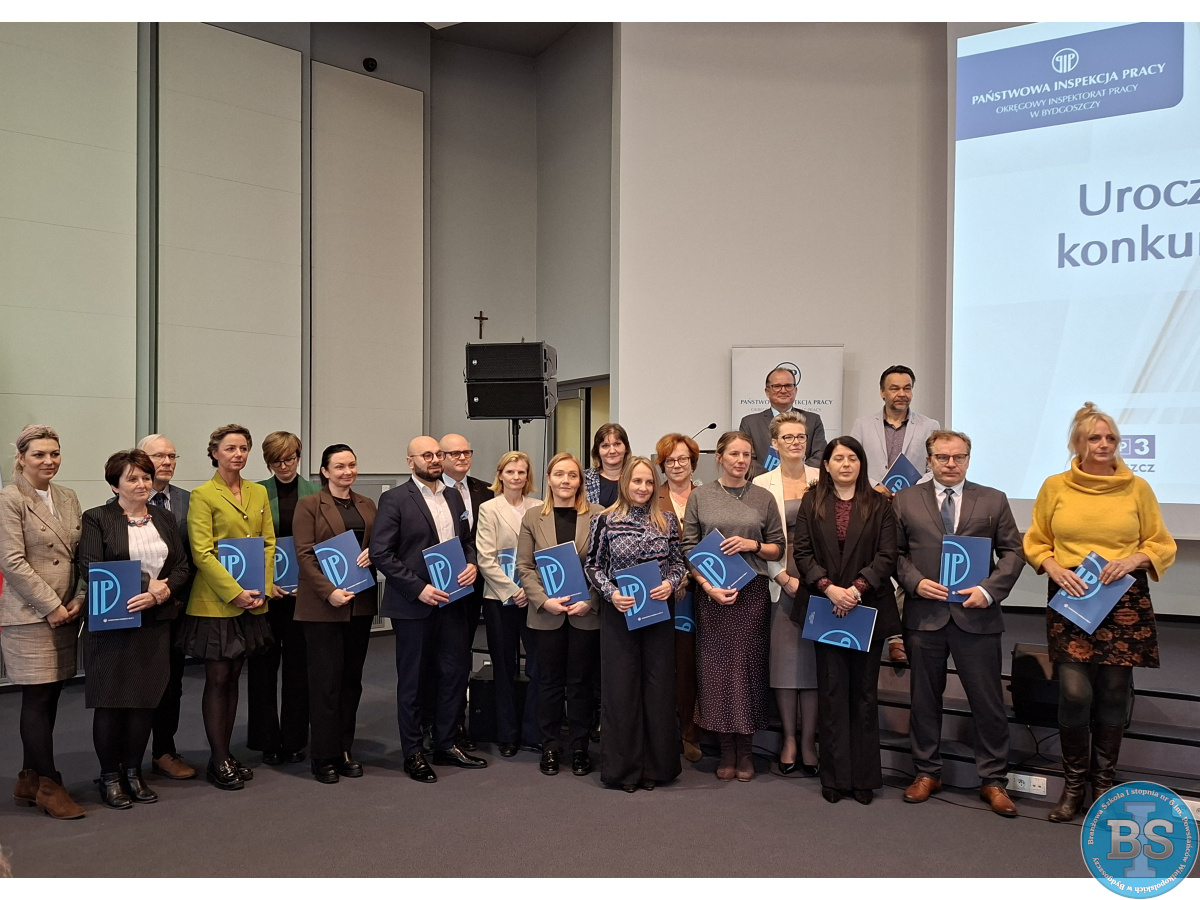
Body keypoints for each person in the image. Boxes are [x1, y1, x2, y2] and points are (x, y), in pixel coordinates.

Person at [1023, 403, 1176, 824]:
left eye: (1110, 438)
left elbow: (1161, 543)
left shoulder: (1137, 488)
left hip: (1123, 598)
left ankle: (1103, 785)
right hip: (1073, 594)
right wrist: (1052, 566)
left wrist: (1133, 560)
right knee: (1075, 692)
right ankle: (1073, 786)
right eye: (1095, 438)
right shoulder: (1055, 486)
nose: (1104, 444)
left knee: (1112, 693)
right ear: (1078, 443)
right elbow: (1036, 540)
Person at [892, 430, 1025, 817]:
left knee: (987, 702)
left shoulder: (993, 499)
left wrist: (988, 590)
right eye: (943, 457)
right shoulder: (905, 500)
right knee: (924, 700)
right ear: (929, 460)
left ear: (968, 458)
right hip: (925, 616)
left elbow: (1014, 552)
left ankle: (993, 779)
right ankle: (926, 772)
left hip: (977, 616)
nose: (951, 464)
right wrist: (915, 582)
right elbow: (894, 553)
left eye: (959, 457)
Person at [76, 450, 190, 809]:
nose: (141, 484)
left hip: (155, 621)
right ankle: (110, 776)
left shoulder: (164, 517)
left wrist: (162, 592)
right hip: (113, 622)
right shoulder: (97, 518)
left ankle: (133, 772)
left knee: (144, 702)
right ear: (115, 485)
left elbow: (182, 565)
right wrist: (146, 584)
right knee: (111, 702)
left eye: (145, 477)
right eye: (132, 478)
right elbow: (91, 566)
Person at [370, 436, 484, 784]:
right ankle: (413, 752)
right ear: (411, 461)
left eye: (438, 454)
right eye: (427, 455)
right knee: (414, 681)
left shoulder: (453, 495)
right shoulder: (394, 499)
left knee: (454, 672)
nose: (435, 460)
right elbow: (381, 553)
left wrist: (471, 563)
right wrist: (418, 588)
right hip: (414, 604)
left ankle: (446, 743)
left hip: (453, 600)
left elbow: (466, 541)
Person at [793, 435, 899, 804]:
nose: (846, 464)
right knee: (832, 692)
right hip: (826, 608)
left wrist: (854, 590)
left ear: (861, 463)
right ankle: (835, 776)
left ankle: (864, 778)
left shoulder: (879, 504)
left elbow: (888, 555)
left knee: (864, 694)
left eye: (852, 458)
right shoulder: (811, 502)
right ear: (826, 464)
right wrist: (829, 589)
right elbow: (802, 553)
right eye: (838, 458)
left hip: (868, 608)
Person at [681, 431, 784, 783]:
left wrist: (752, 545)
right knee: (716, 673)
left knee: (747, 671)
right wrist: (707, 586)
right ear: (720, 457)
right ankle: (726, 750)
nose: (741, 461)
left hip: (751, 595)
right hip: (712, 595)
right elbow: (688, 547)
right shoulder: (701, 496)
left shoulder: (763, 497)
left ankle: (747, 751)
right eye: (734, 454)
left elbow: (778, 547)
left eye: (747, 455)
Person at [178, 424, 276, 791]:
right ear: (214, 453)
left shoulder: (258, 492)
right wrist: (234, 593)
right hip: (216, 602)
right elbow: (202, 553)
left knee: (235, 677)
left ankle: (226, 753)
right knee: (218, 678)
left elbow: (268, 543)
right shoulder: (203, 495)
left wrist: (264, 588)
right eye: (230, 448)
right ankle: (217, 758)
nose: (238, 454)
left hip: (253, 598)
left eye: (244, 448)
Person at [585, 457, 687, 792]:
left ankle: (656, 767)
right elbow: (593, 566)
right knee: (622, 689)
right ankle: (624, 770)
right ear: (625, 483)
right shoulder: (605, 520)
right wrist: (611, 593)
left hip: (658, 612)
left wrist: (671, 584)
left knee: (658, 688)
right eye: (636, 481)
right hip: (620, 612)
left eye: (648, 482)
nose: (643, 488)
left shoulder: (667, 521)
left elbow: (678, 563)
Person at [0, 425, 86, 819]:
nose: (48, 461)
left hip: (67, 612)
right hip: (30, 615)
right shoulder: (9, 498)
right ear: (21, 458)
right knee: (36, 698)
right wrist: (51, 606)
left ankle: (28, 778)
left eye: (54, 453)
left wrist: (79, 599)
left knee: (51, 695)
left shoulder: (67, 496)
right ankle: (50, 785)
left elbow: (80, 554)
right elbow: (12, 562)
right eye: (39, 454)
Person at [292, 444, 377, 784]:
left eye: (351, 465)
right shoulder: (309, 505)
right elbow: (304, 555)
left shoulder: (367, 504)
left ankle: (344, 749)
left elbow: (379, 544)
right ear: (325, 471)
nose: (347, 471)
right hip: (323, 606)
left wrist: (374, 553)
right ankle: (323, 755)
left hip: (360, 603)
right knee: (325, 682)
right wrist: (329, 591)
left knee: (351, 681)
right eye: (339, 466)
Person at [515, 452, 602, 778]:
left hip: (585, 613)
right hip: (547, 614)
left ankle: (579, 748)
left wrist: (591, 600)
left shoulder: (598, 515)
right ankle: (550, 746)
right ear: (549, 479)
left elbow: (605, 565)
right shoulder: (532, 517)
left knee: (580, 684)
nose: (566, 480)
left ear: (580, 481)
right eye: (559, 474)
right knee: (548, 682)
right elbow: (524, 566)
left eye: (572, 475)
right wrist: (542, 600)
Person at [849, 364, 940, 664]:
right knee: (874, 565)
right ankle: (875, 632)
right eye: (895, 388)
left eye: (907, 388)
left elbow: (933, 468)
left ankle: (897, 637)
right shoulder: (863, 425)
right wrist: (875, 486)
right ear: (882, 392)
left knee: (905, 565)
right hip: (873, 505)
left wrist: (910, 490)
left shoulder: (929, 425)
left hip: (912, 505)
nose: (902, 394)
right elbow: (853, 460)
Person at [751, 412, 820, 776]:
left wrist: (819, 580)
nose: (796, 442)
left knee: (813, 666)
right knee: (785, 664)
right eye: (788, 437)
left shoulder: (823, 478)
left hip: (820, 582)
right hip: (779, 581)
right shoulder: (761, 483)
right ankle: (789, 740)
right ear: (774, 443)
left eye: (801, 437)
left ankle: (809, 741)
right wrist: (780, 576)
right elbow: (759, 539)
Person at [250, 430, 316, 765]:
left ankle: (293, 739)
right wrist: (265, 583)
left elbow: (322, 543)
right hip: (267, 595)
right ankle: (266, 739)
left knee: (298, 669)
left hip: (304, 595)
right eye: (277, 460)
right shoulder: (256, 492)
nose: (284, 465)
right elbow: (249, 542)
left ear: (298, 457)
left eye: (289, 459)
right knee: (262, 669)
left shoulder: (315, 492)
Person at [474, 451, 543, 757]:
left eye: (522, 472)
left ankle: (533, 730)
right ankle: (507, 733)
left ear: (528, 477)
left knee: (538, 665)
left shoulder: (539, 507)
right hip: (499, 597)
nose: (516, 477)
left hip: (534, 597)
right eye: (510, 471)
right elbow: (485, 558)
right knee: (503, 666)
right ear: (500, 475)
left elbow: (545, 552)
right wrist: (513, 590)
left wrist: (529, 589)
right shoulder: (489, 509)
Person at [136, 434, 197, 780]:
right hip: (137, 605)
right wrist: (149, 587)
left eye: (172, 456)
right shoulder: (119, 502)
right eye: (159, 456)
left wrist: (170, 589)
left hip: (178, 605)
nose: (167, 462)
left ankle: (164, 750)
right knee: (138, 683)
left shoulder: (189, 500)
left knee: (173, 683)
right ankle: (128, 758)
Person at [434, 433, 494, 752]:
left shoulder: (486, 490)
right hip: (437, 587)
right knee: (441, 660)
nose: (461, 458)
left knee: (462, 656)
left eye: (466, 452)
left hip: (476, 585)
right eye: (454, 453)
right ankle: (440, 724)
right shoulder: (431, 491)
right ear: (440, 457)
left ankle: (457, 722)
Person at [653, 432, 704, 763]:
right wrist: (673, 579)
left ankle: (690, 732)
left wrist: (690, 576)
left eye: (683, 458)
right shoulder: (651, 497)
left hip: (703, 593)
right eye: (669, 460)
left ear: (693, 462)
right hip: (661, 594)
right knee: (662, 665)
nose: (676, 465)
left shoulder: (707, 496)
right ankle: (662, 732)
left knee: (691, 666)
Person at [740, 366, 827, 472]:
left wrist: (796, 476)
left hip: (803, 480)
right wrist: (770, 478)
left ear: (795, 390)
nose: (783, 390)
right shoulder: (750, 423)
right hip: (762, 481)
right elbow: (747, 458)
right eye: (777, 386)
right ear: (767, 392)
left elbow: (820, 455)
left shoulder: (813, 420)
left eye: (788, 386)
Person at [584, 423, 630, 508]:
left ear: (626, 448)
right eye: (605, 446)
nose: (612, 451)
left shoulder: (636, 478)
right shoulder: (584, 479)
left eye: (617, 444)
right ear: (598, 451)